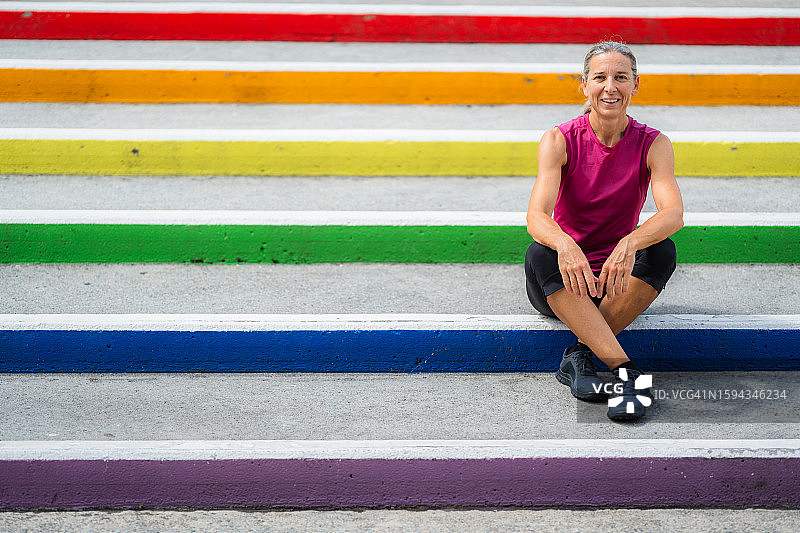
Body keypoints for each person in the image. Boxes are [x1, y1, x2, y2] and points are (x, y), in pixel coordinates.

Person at [524, 41, 684, 421]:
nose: (610, 86)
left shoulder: (653, 143)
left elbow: (673, 214)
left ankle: (578, 356)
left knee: (663, 249)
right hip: (563, 281)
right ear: (584, 85)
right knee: (539, 250)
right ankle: (625, 371)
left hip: (616, 280)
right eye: (600, 77)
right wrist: (565, 243)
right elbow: (536, 216)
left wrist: (630, 242)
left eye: (620, 77)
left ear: (636, 84)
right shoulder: (558, 140)